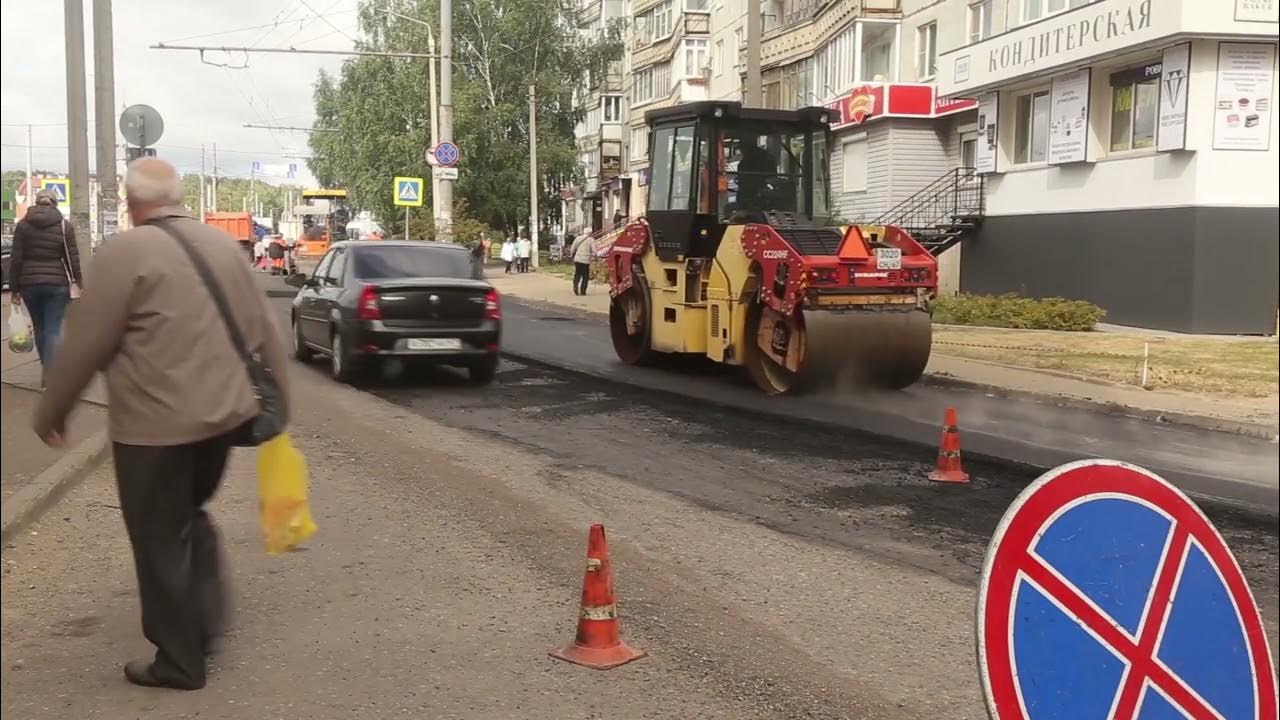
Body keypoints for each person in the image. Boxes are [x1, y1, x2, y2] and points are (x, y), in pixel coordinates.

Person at [33, 158, 291, 691]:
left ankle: (179, 661)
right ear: (178, 196)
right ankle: (203, 623)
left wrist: (52, 412)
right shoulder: (224, 247)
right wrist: (281, 402)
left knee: (158, 536)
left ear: (130, 202)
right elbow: (264, 328)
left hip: (154, 427)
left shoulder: (125, 253)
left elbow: (85, 344)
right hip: (224, 418)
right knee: (188, 514)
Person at [10, 189, 84, 383]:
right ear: (54, 203)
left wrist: (14, 289)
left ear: (36, 203)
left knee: (40, 327)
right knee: (53, 329)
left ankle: (47, 368)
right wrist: (78, 283)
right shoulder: (63, 226)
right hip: (56, 284)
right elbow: (72, 259)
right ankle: (50, 375)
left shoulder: (23, 225)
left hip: (29, 284)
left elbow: (15, 259)